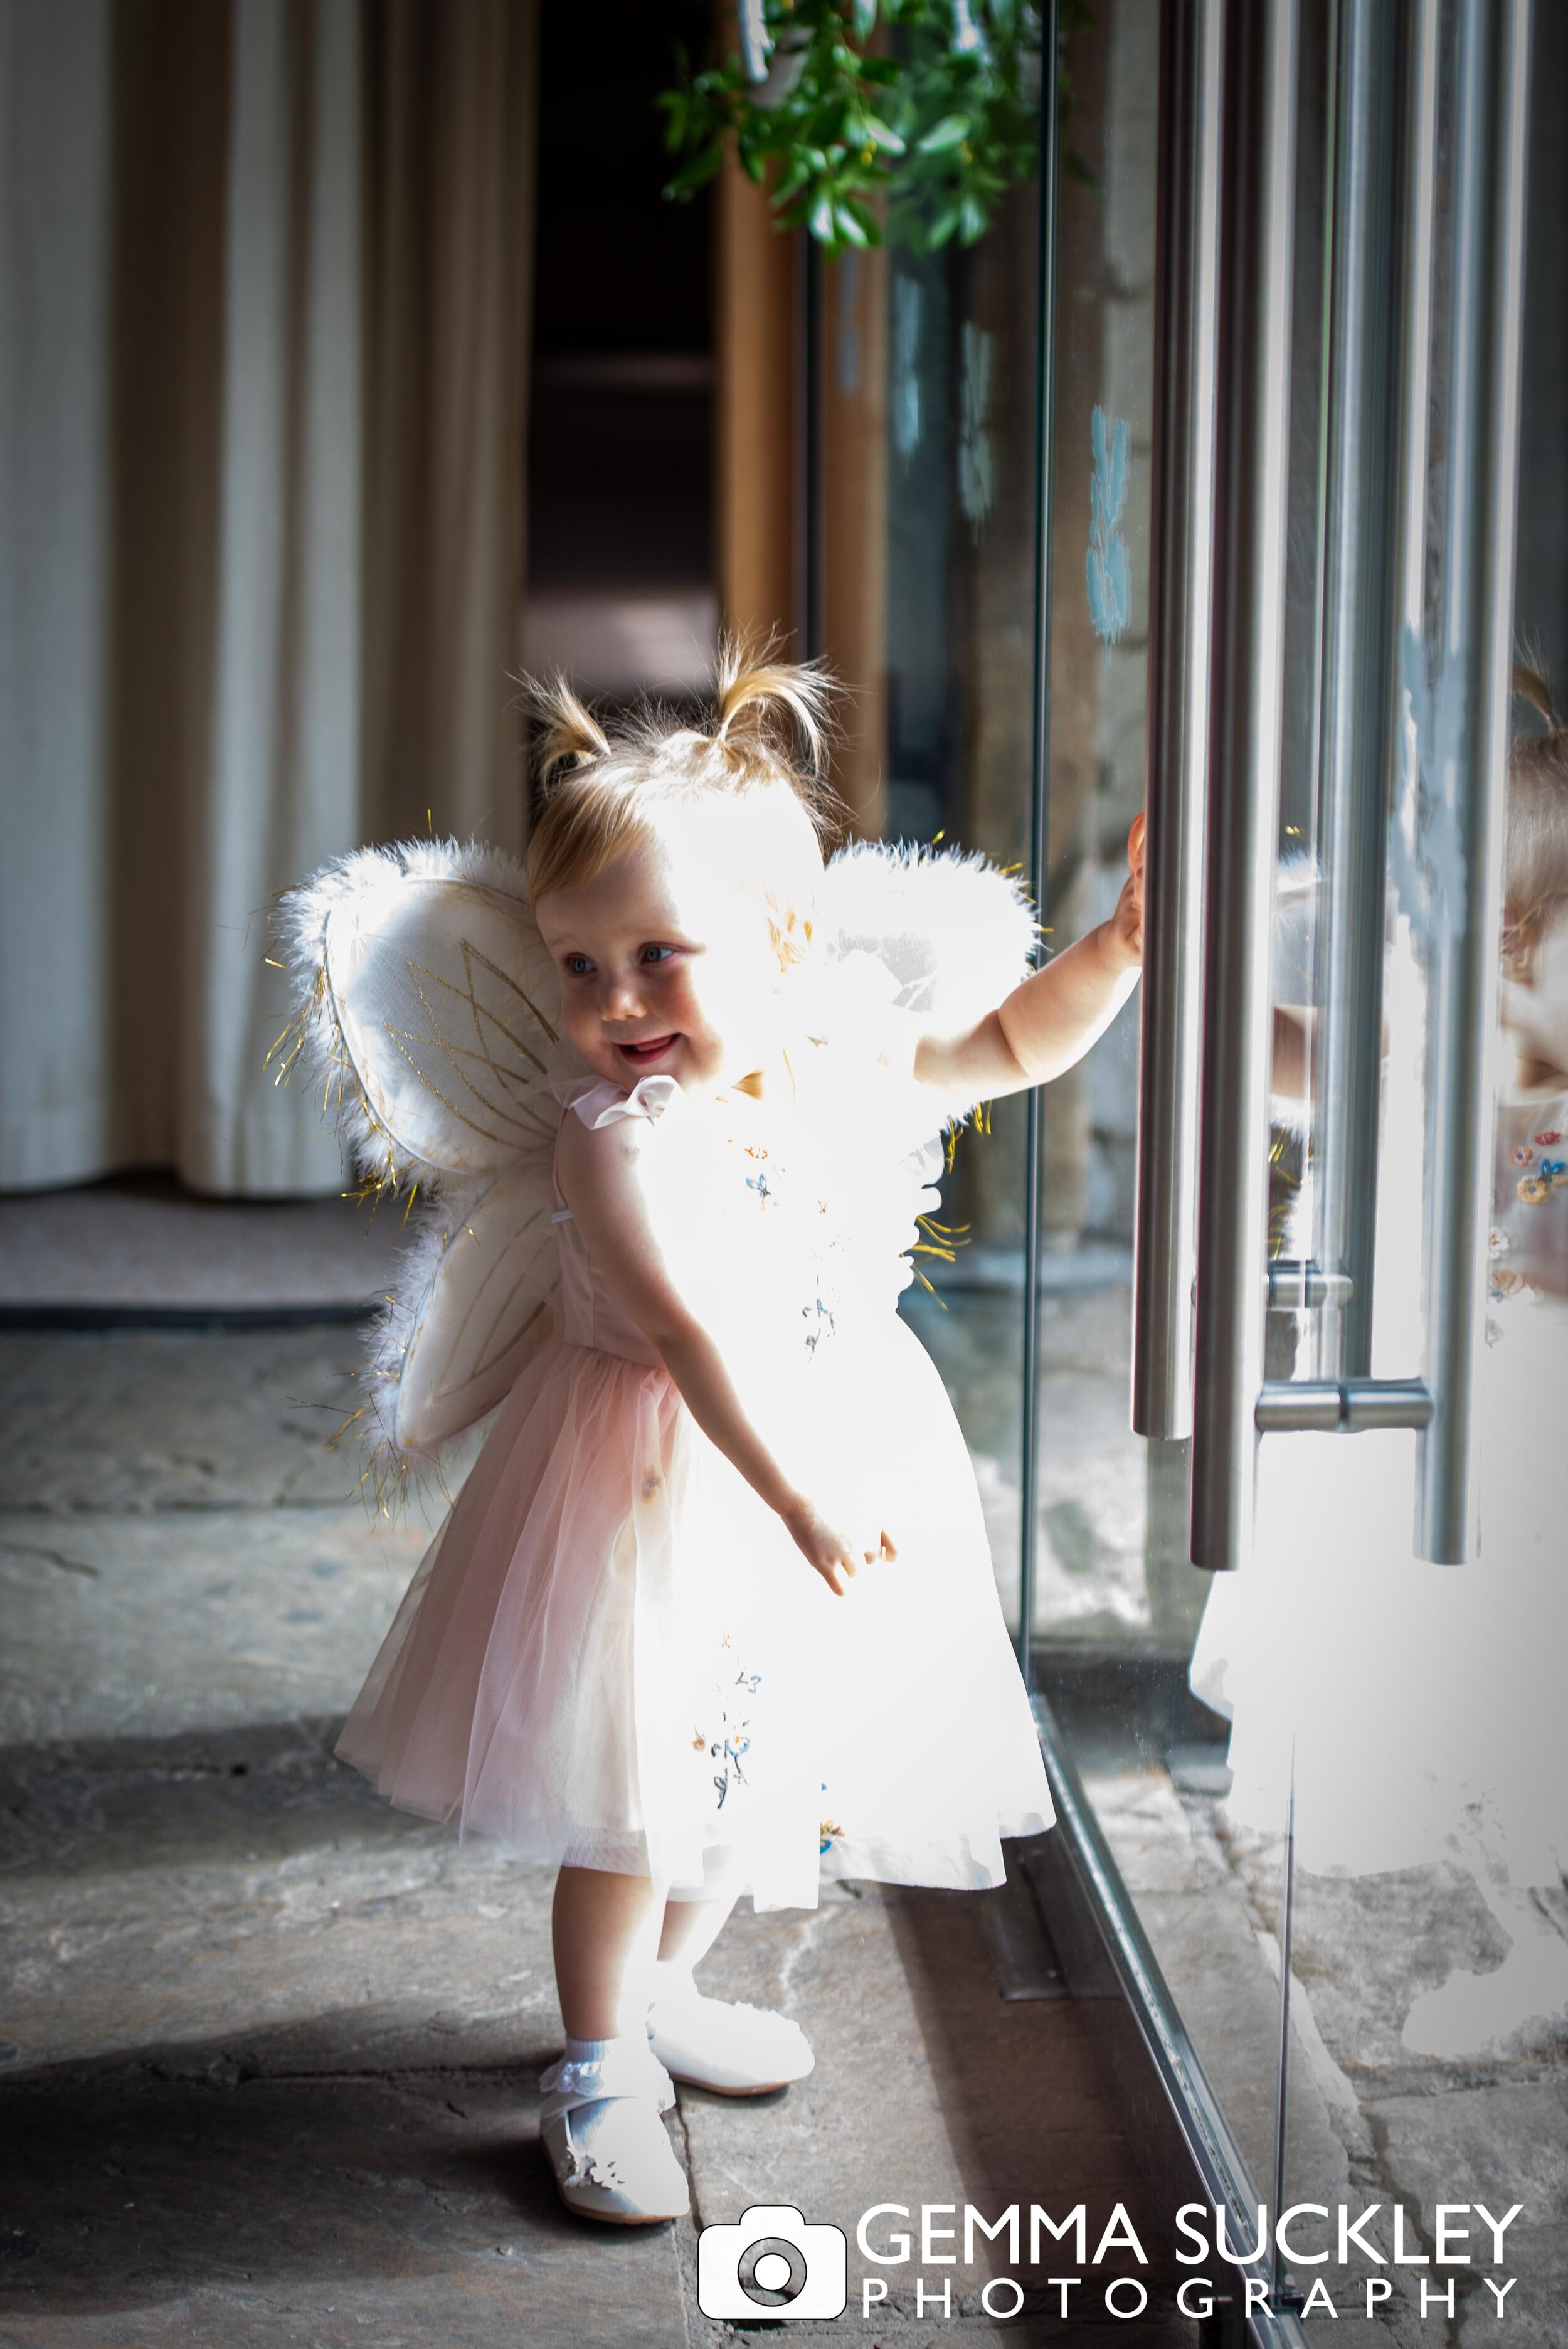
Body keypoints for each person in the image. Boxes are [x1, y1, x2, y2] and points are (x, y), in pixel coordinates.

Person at [309, 649, 1146, 2222]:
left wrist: (1113, 948)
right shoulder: (615, 1148)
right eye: (573, 965)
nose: (611, 1004)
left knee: (762, 1765)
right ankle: (598, 2054)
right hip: (662, 1481)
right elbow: (689, 1337)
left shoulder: (838, 1062)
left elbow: (1009, 1049)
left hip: (818, 1459)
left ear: (780, 944)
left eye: (655, 956)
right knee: (641, 1780)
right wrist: (796, 1495)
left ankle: (675, 1988)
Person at [1191, 662, 1568, 2058]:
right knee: (1469, 1734)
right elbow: (1306, 1053)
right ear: (1511, 943)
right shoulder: (1450, 1051)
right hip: (1468, 1451)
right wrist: (1206, 973)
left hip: (1536, 1455)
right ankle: (1539, 1947)